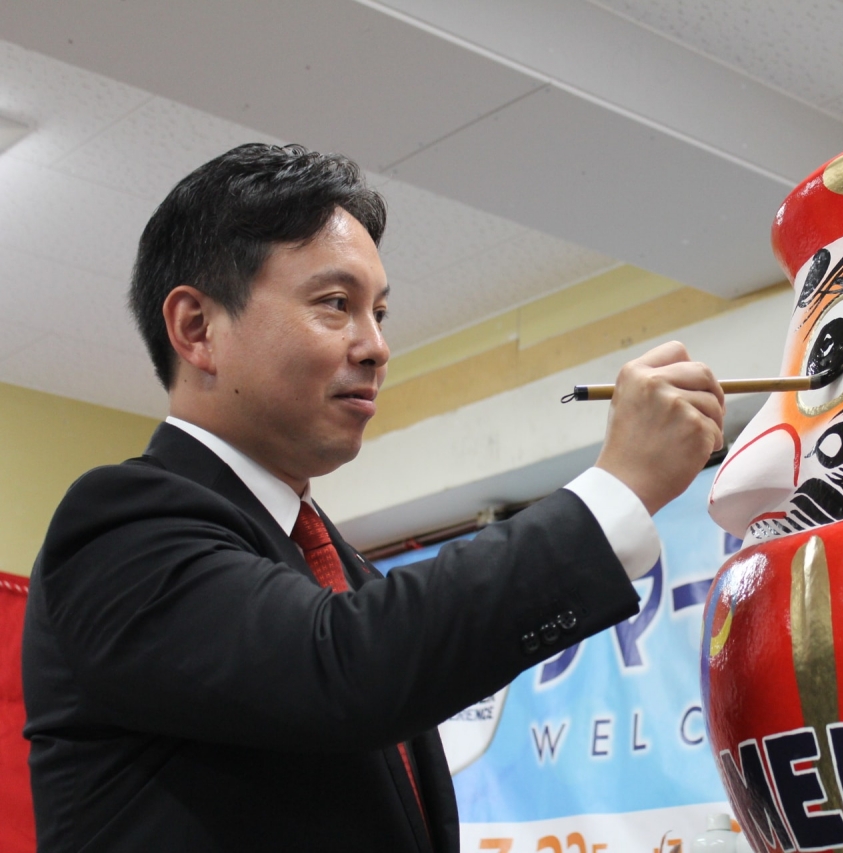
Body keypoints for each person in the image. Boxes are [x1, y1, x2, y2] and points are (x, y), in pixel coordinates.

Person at [22, 143, 725, 852]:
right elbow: (341, 670)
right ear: (197, 328)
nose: (377, 347)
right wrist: (615, 488)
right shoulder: (118, 524)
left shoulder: (340, 568)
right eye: (336, 304)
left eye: (379, 312)